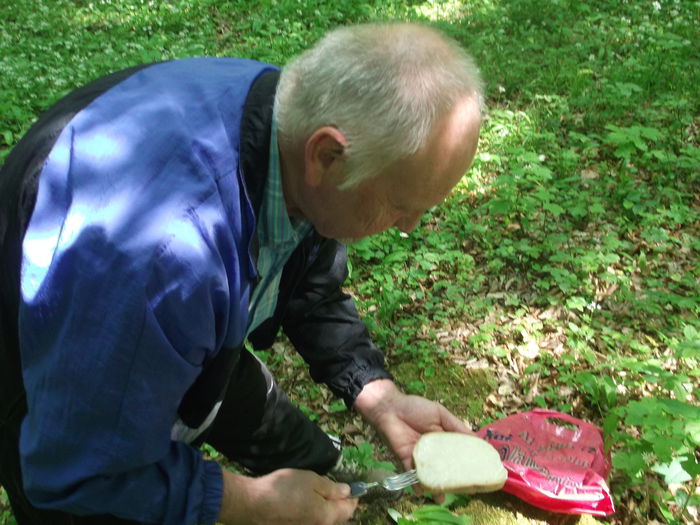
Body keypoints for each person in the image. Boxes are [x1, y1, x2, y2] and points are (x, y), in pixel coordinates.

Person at [0, 22, 483, 525]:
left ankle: (331, 474)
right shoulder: (165, 264)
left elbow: (310, 282)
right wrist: (250, 504)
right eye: (401, 205)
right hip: (47, 365)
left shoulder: (292, 118)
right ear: (327, 155)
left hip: (161, 324)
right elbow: (79, 473)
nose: (409, 226)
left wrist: (380, 395)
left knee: (241, 404)